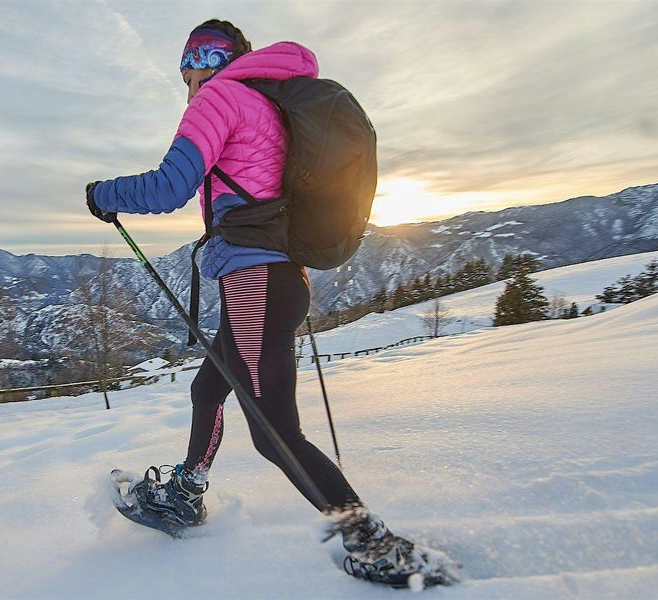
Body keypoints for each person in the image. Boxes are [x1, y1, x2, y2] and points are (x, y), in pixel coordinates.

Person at [86, 19, 442, 585]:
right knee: (209, 387)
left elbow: (168, 186)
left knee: (274, 433)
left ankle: (374, 544)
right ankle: (187, 489)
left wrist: (101, 194)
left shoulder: (221, 96)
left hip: (254, 279)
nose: (187, 85)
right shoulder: (266, 103)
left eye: (188, 69)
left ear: (207, 59)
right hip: (279, 278)